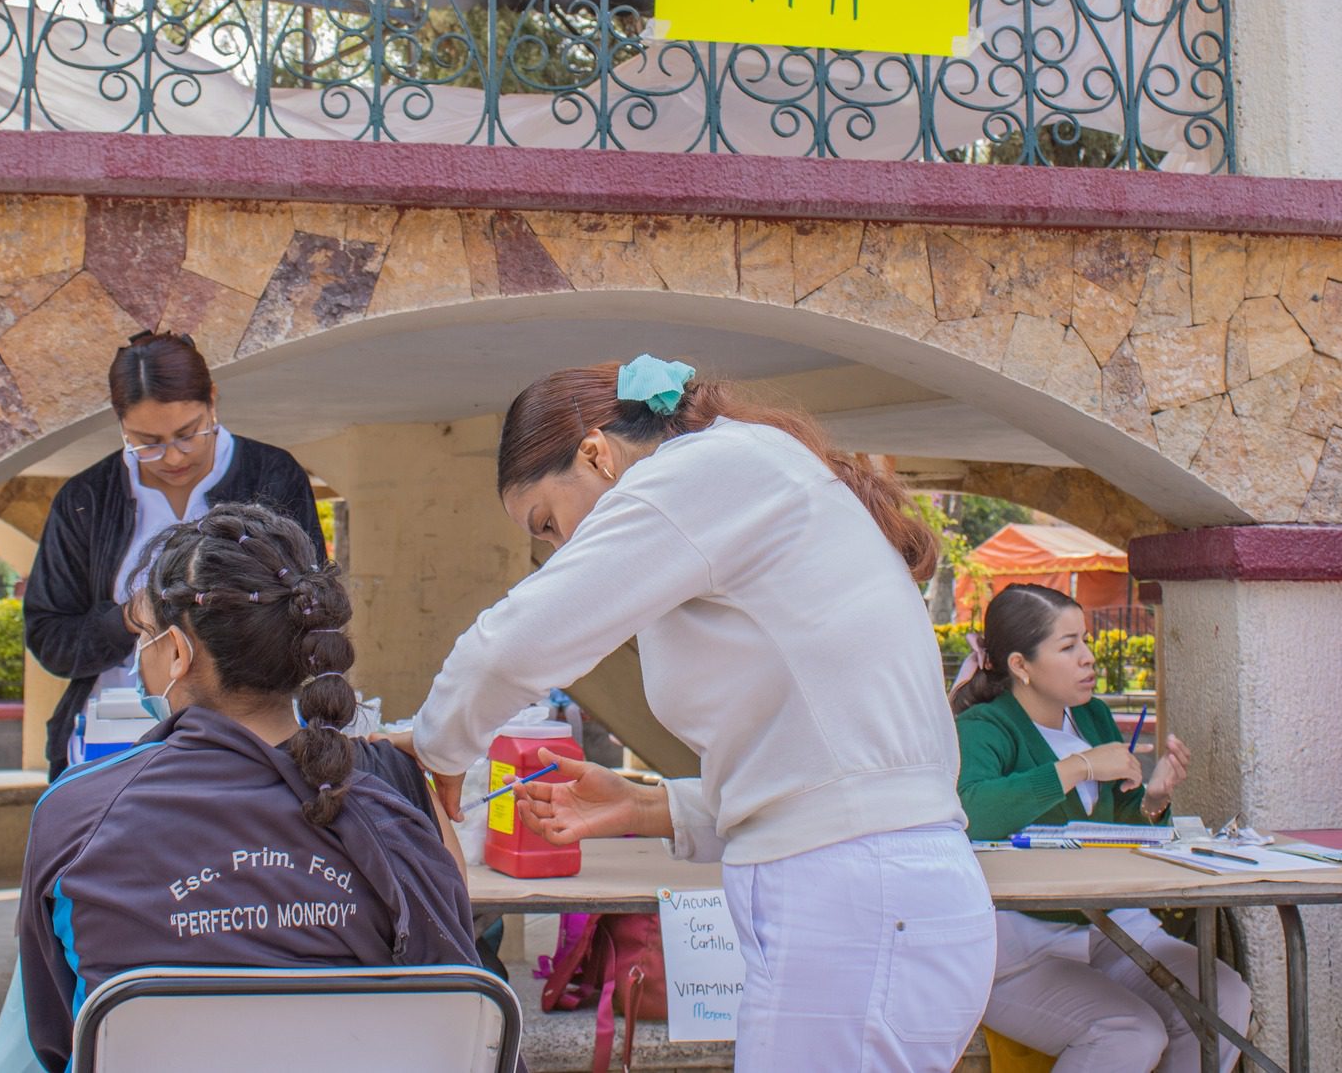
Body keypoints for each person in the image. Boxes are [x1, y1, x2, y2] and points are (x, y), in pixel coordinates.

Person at [399, 355, 995, 1072]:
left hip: (856, 906)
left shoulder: (698, 472)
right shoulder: (744, 470)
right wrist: (650, 807)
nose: (559, 550)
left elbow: (511, 646)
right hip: (874, 901)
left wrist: (432, 752)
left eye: (549, 522)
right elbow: (820, 763)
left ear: (596, 452)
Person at [16, 504, 475, 1069]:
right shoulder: (395, 787)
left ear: (179, 652)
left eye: (145, 635)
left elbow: (61, 1036)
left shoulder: (76, 812)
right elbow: (458, 991)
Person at [951, 583, 1249, 1072]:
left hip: (1114, 929)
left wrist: (1153, 801)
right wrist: (1079, 766)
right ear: (1021, 666)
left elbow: (1116, 831)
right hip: (1021, 947)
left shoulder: (1093, 716)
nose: (1088, 657)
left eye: (1085, 641)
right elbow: (973, 811)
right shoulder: (985, 727)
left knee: (1225, 998)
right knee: (1129, 1033)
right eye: (1068, 647)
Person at [24, 330, 325, 778]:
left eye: (188, 433)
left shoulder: (272, 475)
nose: (172, 456)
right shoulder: (87, 497)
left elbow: (309, 607)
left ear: (213, 401)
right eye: (146, 441)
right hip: (109, 744)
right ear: (120, 424)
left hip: (251, 738)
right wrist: (128, 618)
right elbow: (51, 638)